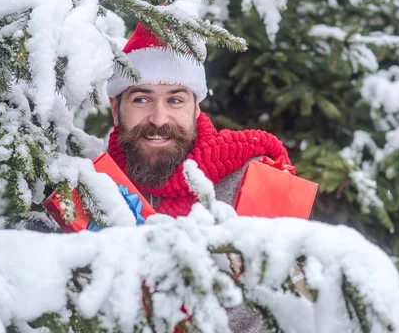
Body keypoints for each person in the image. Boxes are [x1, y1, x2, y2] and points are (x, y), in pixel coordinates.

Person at [106, 23, 294, 332]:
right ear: (116, 108)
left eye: (175, 100)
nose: (158, 118)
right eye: (142, 99)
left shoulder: (254, 179)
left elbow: (284, 311)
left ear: (196, 108)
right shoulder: (94, 188)